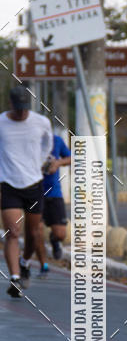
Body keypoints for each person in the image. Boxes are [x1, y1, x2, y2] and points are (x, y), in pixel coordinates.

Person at [0, 84, 53, 297]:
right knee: (13, 232)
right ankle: (15, 279)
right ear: (10, 103)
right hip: (9, 184)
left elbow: (48, 144)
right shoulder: (1, 122)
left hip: (33, 184)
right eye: (18, 107)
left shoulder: (41, 122)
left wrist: (40, 162)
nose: (22, 112)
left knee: (33, 234)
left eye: (25, 108)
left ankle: (24, 262)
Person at [42, 132, 71, 259]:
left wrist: (58, 163)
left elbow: (71, 158)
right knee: (35, 231)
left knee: (61, 234)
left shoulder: (56, 140)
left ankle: (54, 240)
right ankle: (40, 265)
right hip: (34, 193)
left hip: (54, 192)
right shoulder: (28, 139)